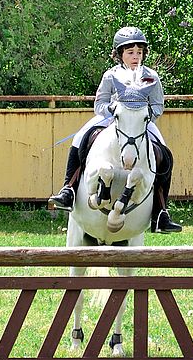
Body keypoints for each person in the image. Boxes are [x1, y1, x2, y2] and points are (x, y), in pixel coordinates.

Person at [48, 26, 182, 233]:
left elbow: (158, 105)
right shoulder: (111, 75)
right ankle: (68, 190)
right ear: (120, 55)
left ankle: (161, 213)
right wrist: (115, 112)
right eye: (130, 53)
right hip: (111, 120)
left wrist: (144, 117)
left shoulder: (151, 76)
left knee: (165, 154)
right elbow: (99, 103)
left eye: (139, 52)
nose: (136, 57)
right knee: (81, 137)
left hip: (141, 124)